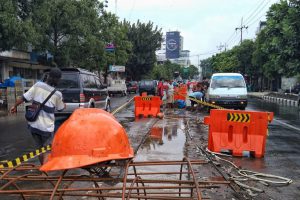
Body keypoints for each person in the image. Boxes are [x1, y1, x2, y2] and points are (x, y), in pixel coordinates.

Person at [10, 68, 65, 164]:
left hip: (34, 125)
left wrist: (14, 106)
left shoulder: (38, 85)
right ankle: (45, 172)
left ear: (48, 77)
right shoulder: (57, 94)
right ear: (58, 80)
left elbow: (24, 97)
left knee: (39, 150)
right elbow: (60, 108)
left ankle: (43, 168)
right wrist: (64, 105)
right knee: (47, 150)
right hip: (46, 128)